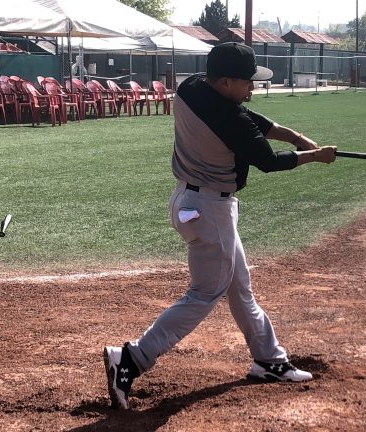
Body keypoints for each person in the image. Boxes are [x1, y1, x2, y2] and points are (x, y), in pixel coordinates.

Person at [103, 42, 337, 410]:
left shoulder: (192, 86)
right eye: (247, 82)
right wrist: (315, 155)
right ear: (225, 82)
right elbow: (268, 161)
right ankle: (132, 359)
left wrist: (294, 136)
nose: (253, 88)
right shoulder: (231, 121)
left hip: (190, 200)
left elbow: (250, 119)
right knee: (204, 294)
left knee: (239, 287)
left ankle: (268, 360)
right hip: (210, 209)